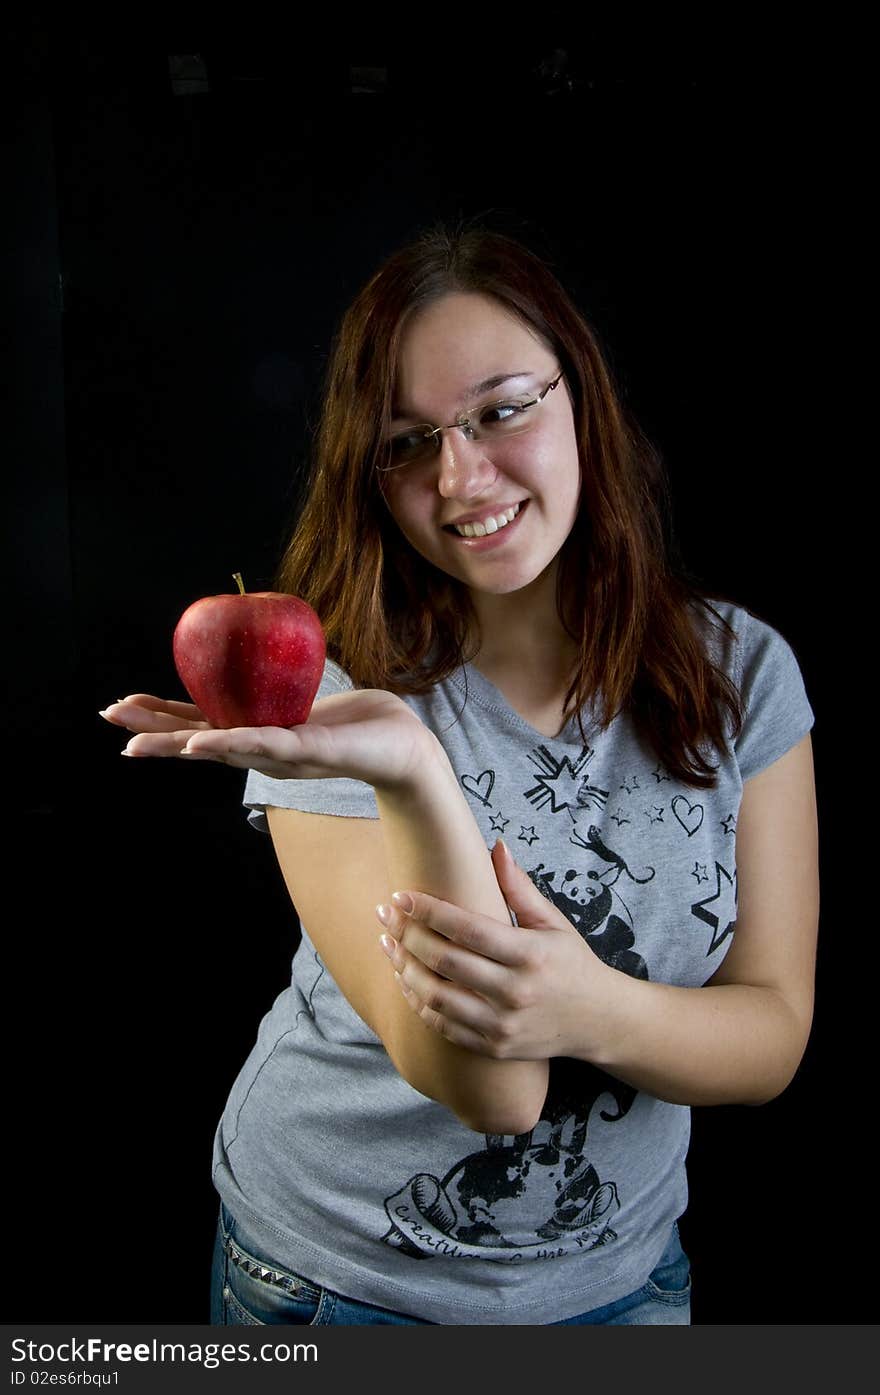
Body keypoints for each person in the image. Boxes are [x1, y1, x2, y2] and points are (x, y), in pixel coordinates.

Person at [100, 220, 819, 1326]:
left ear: (580, 395)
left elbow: (770, 1034)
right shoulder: (328, 691)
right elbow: (492, 1092)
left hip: (624, 1286)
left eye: (501, 410)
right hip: (332, 1285)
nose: (460, 475)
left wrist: (585, 1007)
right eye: (407, 442)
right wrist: (411, 772)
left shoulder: (743, 674)